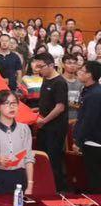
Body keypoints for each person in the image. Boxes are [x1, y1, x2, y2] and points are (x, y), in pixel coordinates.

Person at [31, 52, 68, 191]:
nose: (39, 70)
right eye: (37, 66)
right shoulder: (45, 79)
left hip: (55, 128)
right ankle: (44, 187)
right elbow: (46, 103)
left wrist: (44, 120)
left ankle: (57, 189)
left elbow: (60, 107)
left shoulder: (59, 82)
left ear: (51, 65)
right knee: (42, 158)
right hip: (44, 126)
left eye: (41, 66)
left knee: (53, 159)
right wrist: (36, 111)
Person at [73, 61, 101, 193]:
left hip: (94, 142)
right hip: (90, 140)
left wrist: (78, 141)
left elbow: (88, 120)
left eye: (82, 70)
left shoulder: (95, 94)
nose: (78, 72)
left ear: (89, 75)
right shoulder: (88, 90)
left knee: (95, 178)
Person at [62, 54, 83, 120]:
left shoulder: (81, 81)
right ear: (63, 65)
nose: (72, 65)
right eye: (69, 63)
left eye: (74, 63)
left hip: (78, 118)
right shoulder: (58, 81)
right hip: (62, 119)